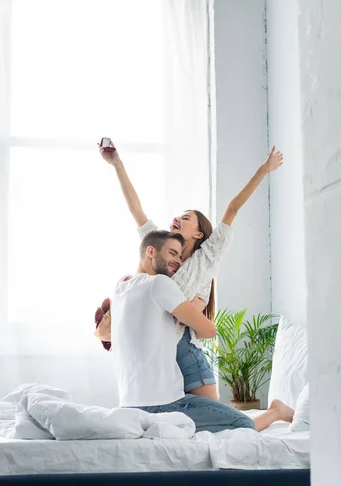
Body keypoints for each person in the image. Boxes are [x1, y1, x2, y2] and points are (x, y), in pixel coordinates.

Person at [100, 140, 284, 401]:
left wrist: (265, 169)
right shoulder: (161, 249)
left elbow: (232, 207)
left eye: (186, 217)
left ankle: (275, 412)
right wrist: (117, 163)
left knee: (220, 425)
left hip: (184, 349)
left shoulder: (207, 256)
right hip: (158, 349)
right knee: (180, 425)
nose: (178, 217)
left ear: (198, 233)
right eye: (179, 215)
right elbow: (135, 209)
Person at [112, 229, 294, 433]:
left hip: (128, 405)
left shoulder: (121, 286)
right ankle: (276, 412)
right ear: (151, 251)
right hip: (166, 405)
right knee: (242, 424)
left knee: (212, 410)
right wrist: (186, 311)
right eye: (172, 253)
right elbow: (208, 330)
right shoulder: (160, 284)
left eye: (180, 256)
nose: (178, 261)